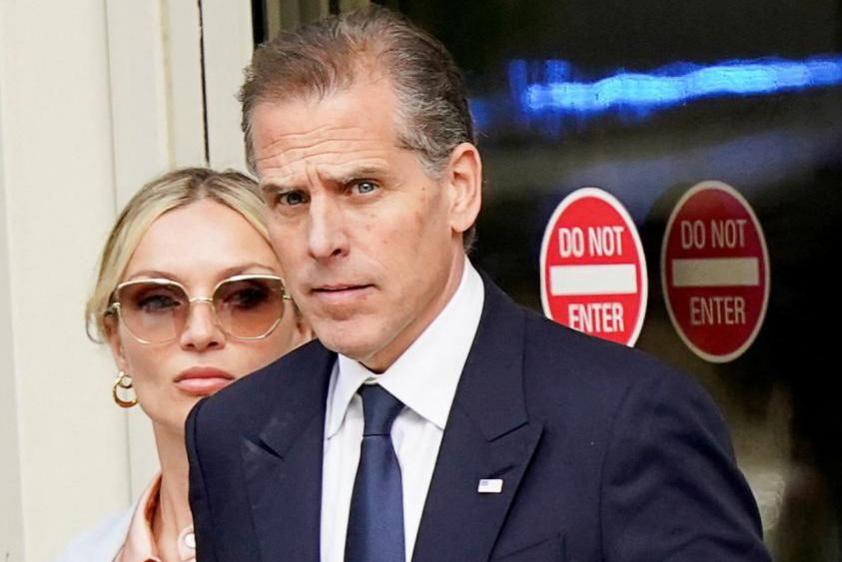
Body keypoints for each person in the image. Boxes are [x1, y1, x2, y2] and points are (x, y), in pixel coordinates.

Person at [185, 7, 770, 562]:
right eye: (290, 198)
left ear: (460, 187)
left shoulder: (626, 421)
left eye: (361, 187)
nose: (320, 240)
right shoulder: (233, 433)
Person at [55, 168, 311, 562]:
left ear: (303, 324)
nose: (200, 332)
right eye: (157, 300)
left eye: (245, 296)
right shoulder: (84, 554)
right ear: (116, 339)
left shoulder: (371, 529)